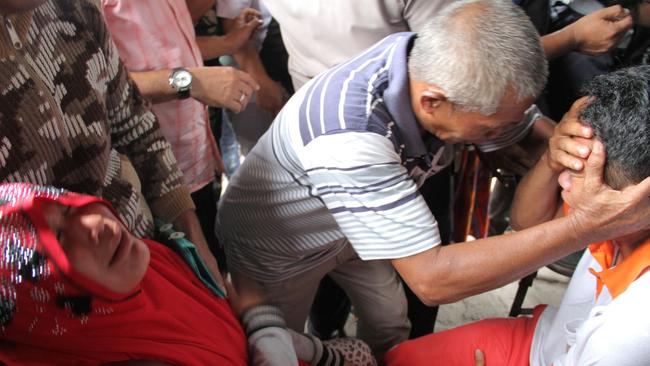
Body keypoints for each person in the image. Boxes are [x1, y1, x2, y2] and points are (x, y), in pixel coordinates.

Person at [217, 0, 650, 357]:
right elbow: (433, 279)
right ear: (433, 103)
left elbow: (517, 130)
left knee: (391, 320)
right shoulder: (350, 136)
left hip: (348, 231)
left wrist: (563, 142)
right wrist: (588, 224)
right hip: (283, 247)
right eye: (489, 132)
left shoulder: (428, 62)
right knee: (277, 347)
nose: (502, 140)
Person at [384, 65, 650, 366]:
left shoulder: (629, 332)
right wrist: (551, 158)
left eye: (575, 171)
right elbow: (526, 222)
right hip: (548, 342)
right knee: (400, 359)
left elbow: (433, 282)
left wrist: (585, 225)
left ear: (633, 198)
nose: (561, 180)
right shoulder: (620, 214)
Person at [0, 182, 376, 365]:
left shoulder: (148, 260)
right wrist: (271, 335)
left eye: (66, 208)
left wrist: (273, 333)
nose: (94, 224)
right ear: (41, 304)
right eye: (60, 241)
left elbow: (231, 301)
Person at [0, 0, 224, 281]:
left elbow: (134, 122)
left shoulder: (74, 7)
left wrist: (192, 239)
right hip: (60, 300)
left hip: (151, 251)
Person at [101, 0, 261, 272]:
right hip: (150, 178)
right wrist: (190, 81)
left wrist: (228, 42)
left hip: (192, 162)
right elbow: (102, 81)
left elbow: (170, 50)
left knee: (213, 267)